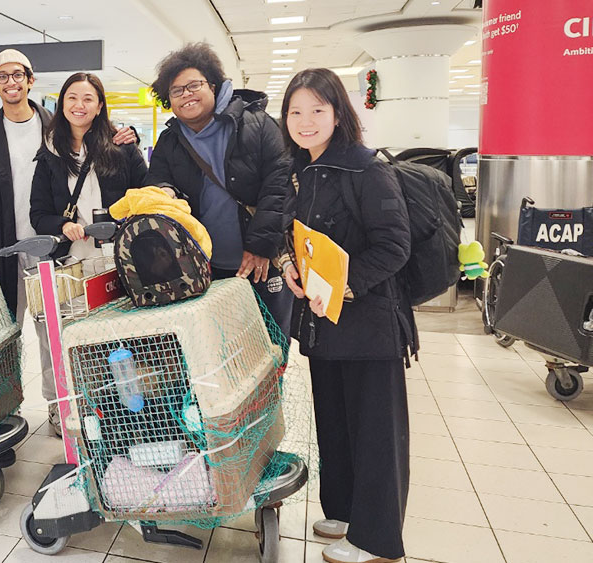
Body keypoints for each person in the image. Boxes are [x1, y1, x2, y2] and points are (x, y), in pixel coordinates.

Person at [279, 68, 415, 563]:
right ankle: (345, 511)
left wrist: (344, 285)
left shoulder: (366, 168)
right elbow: (295, 237)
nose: (306, 120)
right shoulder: (301, 168)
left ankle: (377, 542)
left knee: (375, 432)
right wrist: (289, 267)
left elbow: (393, 247)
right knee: (334, 423)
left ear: (338, 113)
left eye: (317, 109)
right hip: (323, 323)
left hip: (369, 324)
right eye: (296, 111)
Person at [0, 53, 137, 435]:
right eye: (2, 77)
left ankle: (59, 407)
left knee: (51, 332)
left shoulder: (51, 129)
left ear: (30, 80)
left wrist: (126, 138)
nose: (11, 82)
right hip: (2, 250)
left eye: (18, 75)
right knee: (3, 333)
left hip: (56, 251)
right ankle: (3, 410)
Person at [144, 42, 293, 340]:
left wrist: (261, 247)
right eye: (176, 91)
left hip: (261, 262)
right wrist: (165, 192)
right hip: (204, 270)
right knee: (221, 350)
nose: (186, 94)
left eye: (194, 85)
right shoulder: (170, 141)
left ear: (213, 85)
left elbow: (279, 186)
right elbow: (155, 184)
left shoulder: (257, 125)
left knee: (272, 344)